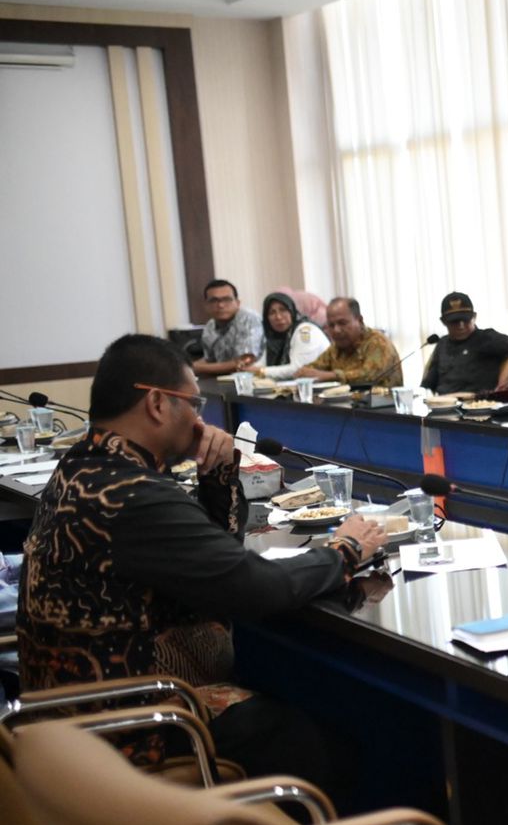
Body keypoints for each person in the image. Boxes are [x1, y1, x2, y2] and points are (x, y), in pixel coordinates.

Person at [16, 334, 387, 785]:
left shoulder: (79, 467)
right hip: (133, 726)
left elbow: (213, 563)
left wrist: (219, 473)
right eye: (194, 404)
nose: (200, 420)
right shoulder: (133, 495)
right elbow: (256, 587)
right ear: (157, 403)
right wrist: (345, 550)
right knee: (326, 740)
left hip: (63, 720)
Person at [418, 292, 508, 395]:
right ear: (443, 321)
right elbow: (429, 383)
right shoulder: (442, 344)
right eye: (455, 321)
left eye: (465, 319)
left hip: (477, 403)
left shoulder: (488, 338)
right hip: (443, 403)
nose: (461, 325)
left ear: (474, 317)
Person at [296, 297, 403, 387]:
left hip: (380, 404)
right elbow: (313, 368)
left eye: (342, 323)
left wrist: (331, 376)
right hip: (346, 403)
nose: (336, 330)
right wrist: (305, 372)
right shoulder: (336, 347)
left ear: (359, 320)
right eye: (331, 325)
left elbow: (369, 375)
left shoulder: (378, 343)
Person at [191, 279, 264, 376]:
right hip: (225, 378)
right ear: (206, 305)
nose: (220, 305)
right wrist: (187, 367)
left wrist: (197, 368)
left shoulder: (248, 318)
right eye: (214, 301)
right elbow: (210, 360)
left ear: (237, 303)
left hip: (255, 378)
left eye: (227, 300)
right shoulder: (209, 326)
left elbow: (244, 362)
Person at [254, 292, 331, 380]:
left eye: (283, 310)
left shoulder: (305, 331)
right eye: (272, 313)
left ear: (292, 311)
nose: (278, 317)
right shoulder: (275, 337)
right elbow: (262, 363)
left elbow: (299, 369)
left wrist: (261, 371)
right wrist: (245, 369)